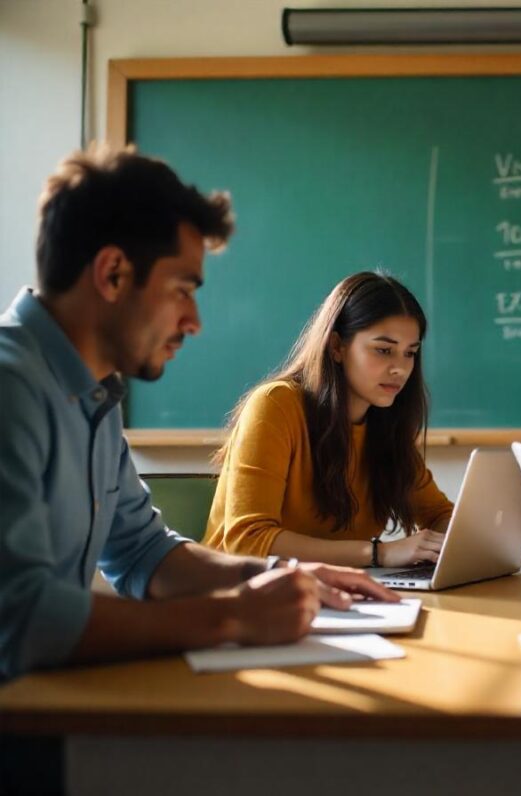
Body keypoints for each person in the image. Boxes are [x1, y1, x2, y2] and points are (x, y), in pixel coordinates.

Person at [0, 145, 397, 683]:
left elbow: (144, 553)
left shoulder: (92, 391)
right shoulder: (12, 388)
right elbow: (19, 619)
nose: (194, 321)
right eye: (183, 289)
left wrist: (285, 573)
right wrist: (232, 614)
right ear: (113, 273)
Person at [203, 272, 454, 568]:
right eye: (384, 350)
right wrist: (379, 554)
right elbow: (248, 540)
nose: (400, 368)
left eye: (409, 353)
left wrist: (466, 541)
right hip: (247, 596)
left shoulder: (386, 428)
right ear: (337, 346)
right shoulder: (275, 407)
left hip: (340, 595)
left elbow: (440, 515)